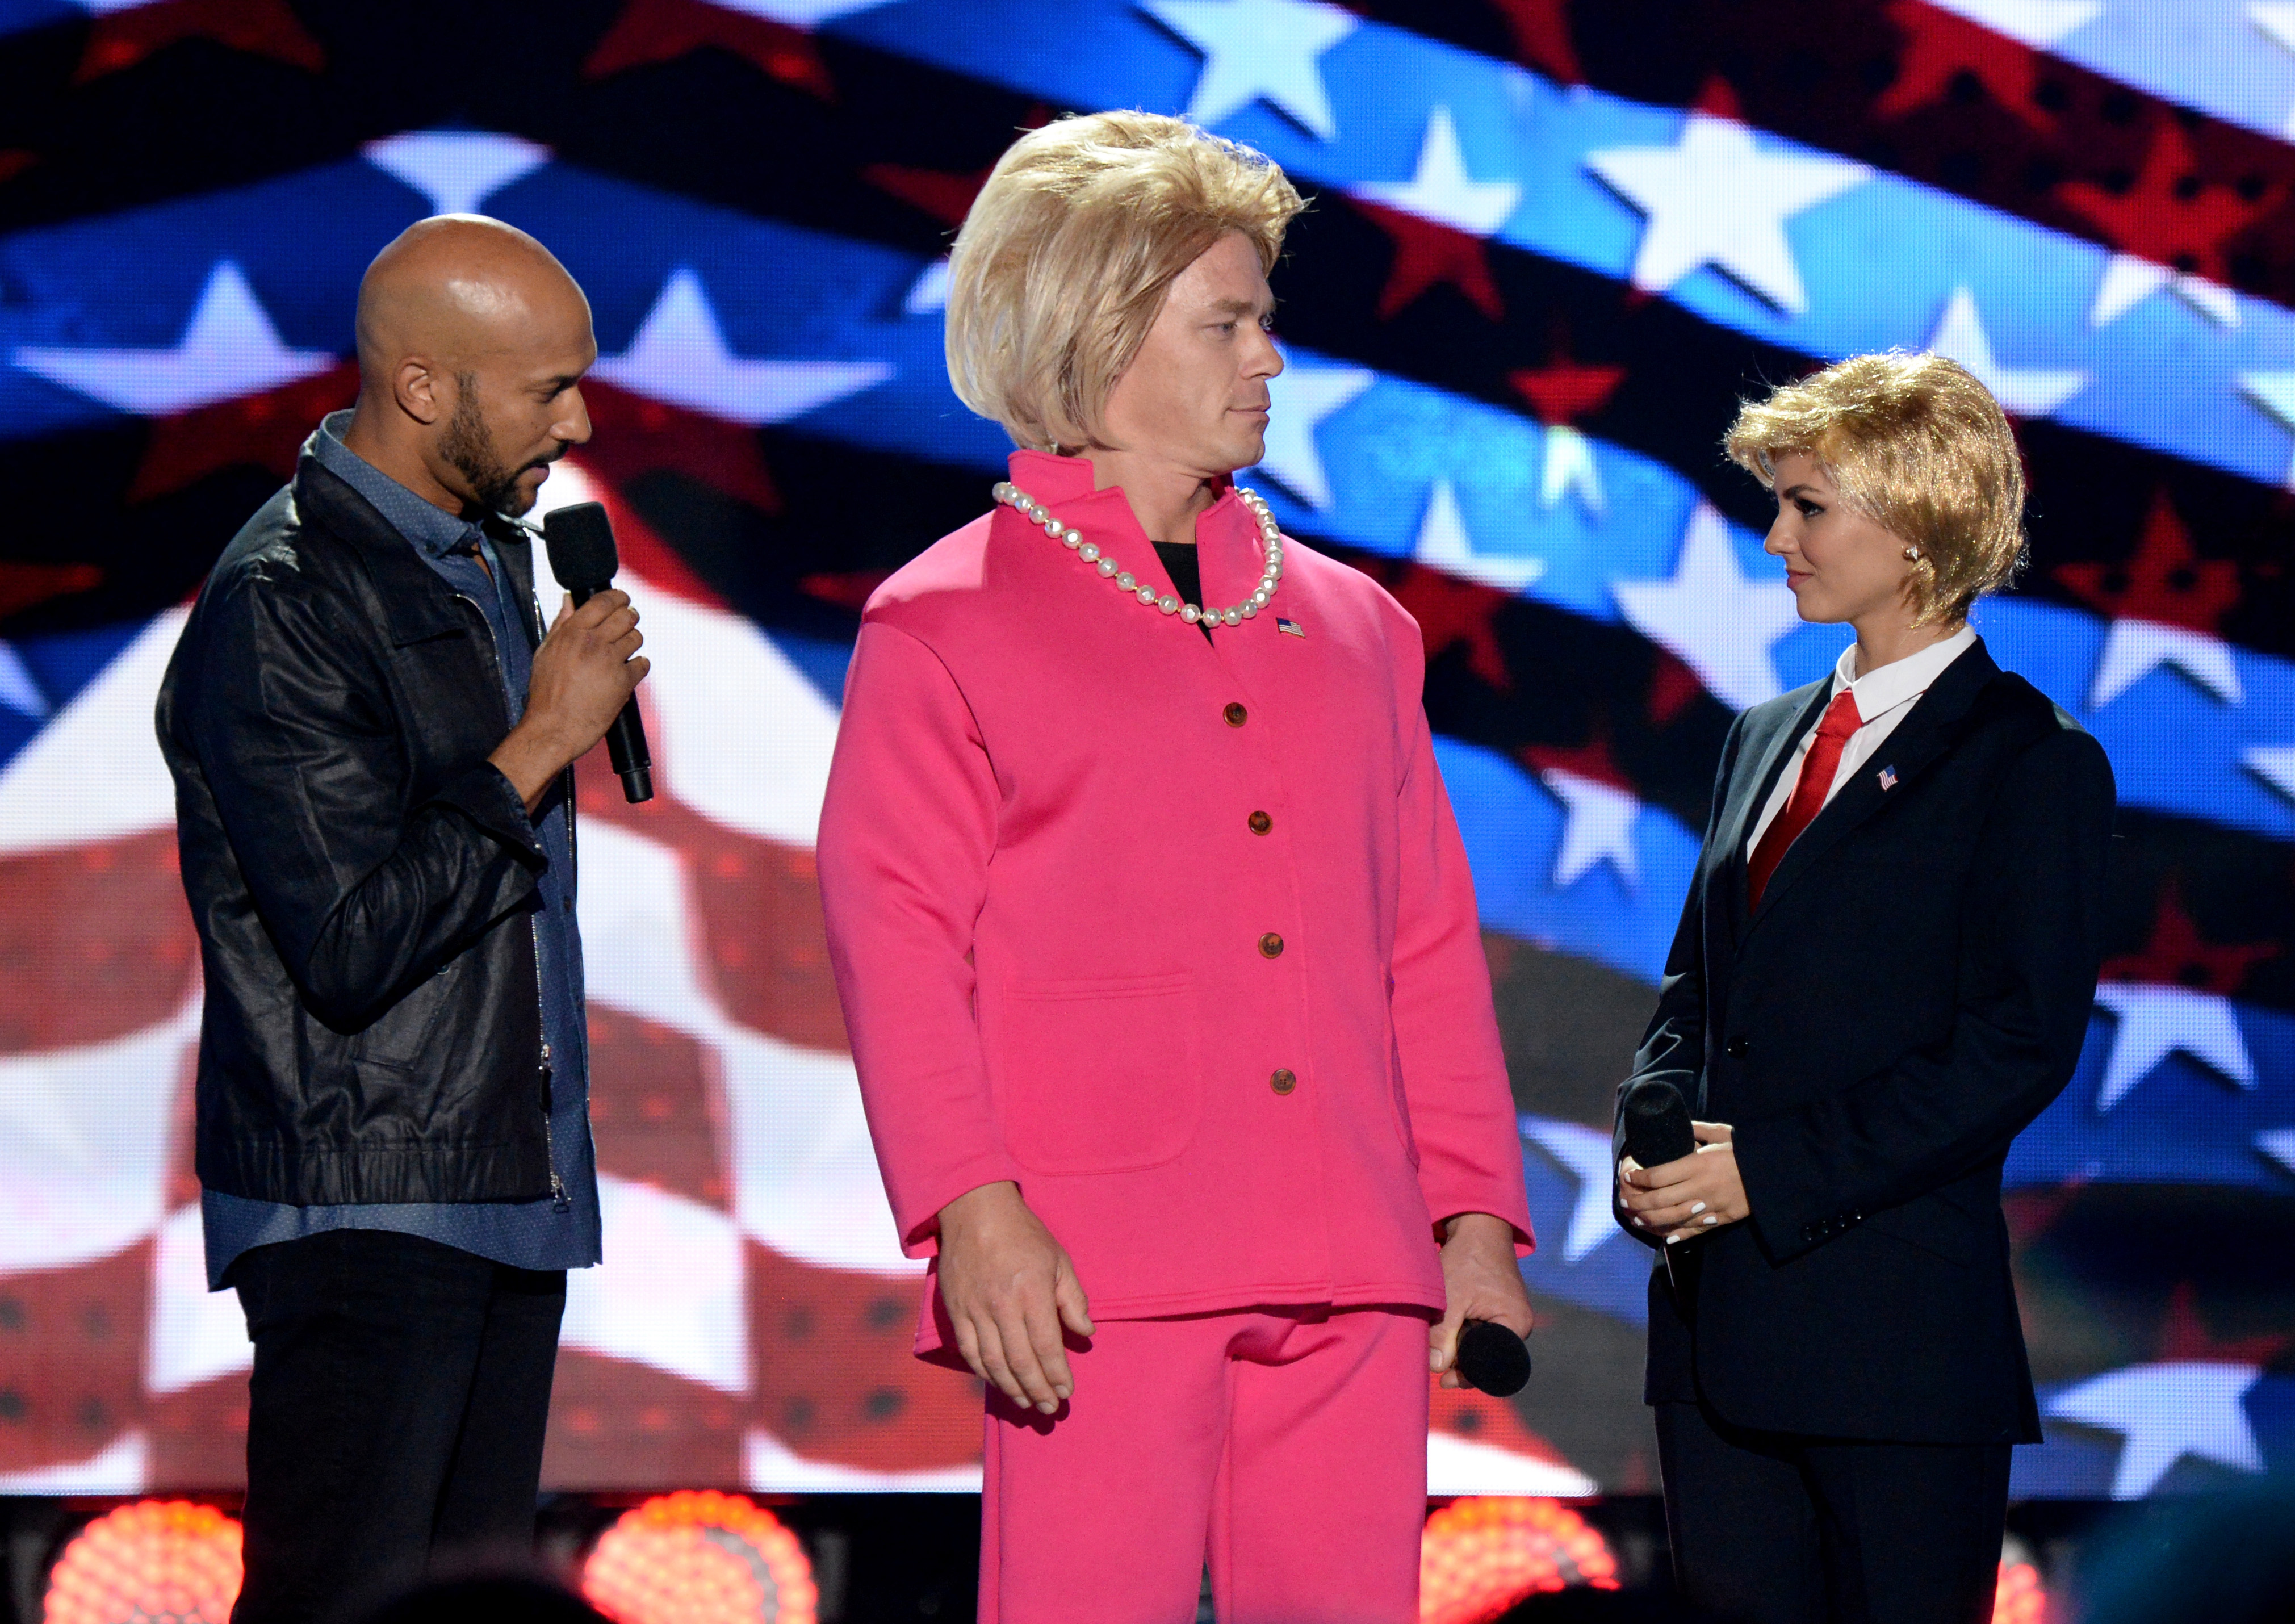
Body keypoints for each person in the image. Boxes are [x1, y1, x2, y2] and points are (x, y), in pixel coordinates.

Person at [816, 111, 1535, 1624]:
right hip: (1089, 1268)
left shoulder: (1358, 626)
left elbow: (1421, 942)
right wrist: (972, 1209)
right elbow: (895, 943)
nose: (1267, 358)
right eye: (1228, 321)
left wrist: (1472, 1217)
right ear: (1093, 333)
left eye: (1263, 319)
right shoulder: (940, 622)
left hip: (1352, 1245)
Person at [156, 215, 646, 1624]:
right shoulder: (286, 596)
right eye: (549, 388)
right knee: (342, 1603)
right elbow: (352, 939)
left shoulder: (484, 552)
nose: (584, 416)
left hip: (503, 1180)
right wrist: (542, 736)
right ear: (427, 386)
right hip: (366, 1190)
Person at [1613, 352, 2116, 1624]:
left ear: (1916, 516)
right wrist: (1657, 1138)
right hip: (1717, 1337)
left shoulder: (2030, 762)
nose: (1777, 536)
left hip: (1895, 1349)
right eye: (1777, 503)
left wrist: (1766, 1171)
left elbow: (2017, 1043)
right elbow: (1698, 986)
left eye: (1808, 506)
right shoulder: (1762, 734)